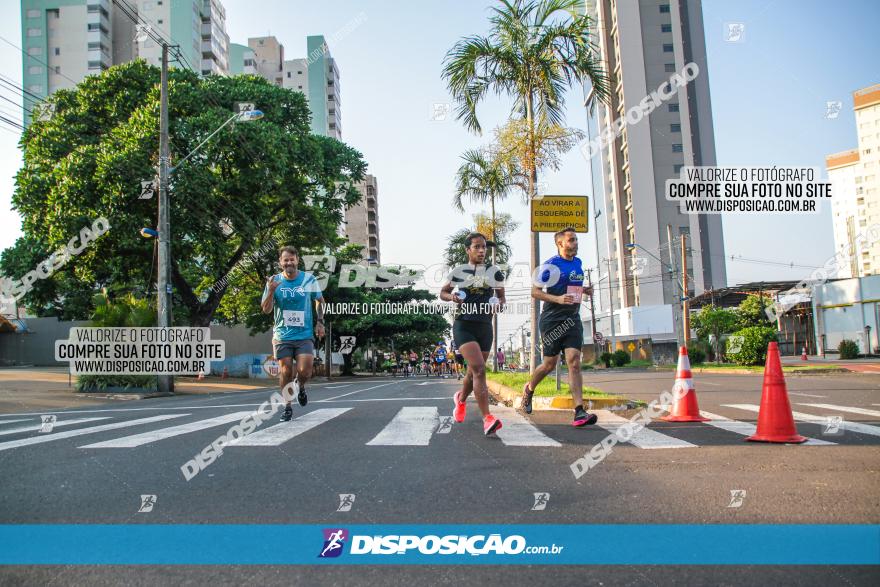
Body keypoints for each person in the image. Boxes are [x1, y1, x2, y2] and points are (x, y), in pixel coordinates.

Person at [522, 227, 598, 427]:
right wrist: (556, 298)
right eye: (571, 240)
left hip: (572, 319)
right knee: (549, 364)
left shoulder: (578, 263)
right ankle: (529, 389)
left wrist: (584, 290)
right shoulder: (550, 266)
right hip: (552, 320)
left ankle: (579, 411)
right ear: (560, 244)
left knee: (574, 362)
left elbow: (572, 288)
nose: (575, 243)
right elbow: (535, 292)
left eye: (576, 240)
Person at [440, 232, 506, 436]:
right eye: (476, 247)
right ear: (467, 250)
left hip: (485, 326)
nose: (481, 250)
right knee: (478, 369)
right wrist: (452, 297)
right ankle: (487, 418)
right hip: (464, 325)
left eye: (483, 247)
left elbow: (502, 299)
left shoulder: (494, 272)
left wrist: (498, 304)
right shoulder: (460, 271)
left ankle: (460, 400)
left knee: (473, 371)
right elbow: (442, 293)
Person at [261, 245, 325, 422]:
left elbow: (320, 301)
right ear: (280, 262)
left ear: (297, 260)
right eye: (285, 259)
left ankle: (300, 385)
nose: (289, 262)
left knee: (305, 371)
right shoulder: (274, 281)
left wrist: (320, 322)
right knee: (286, 370)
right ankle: (287, 407)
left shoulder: (308, 279)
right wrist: (271, 290)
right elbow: (266, 310)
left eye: (292, 259)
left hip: (304, 333)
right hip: (282, 335)